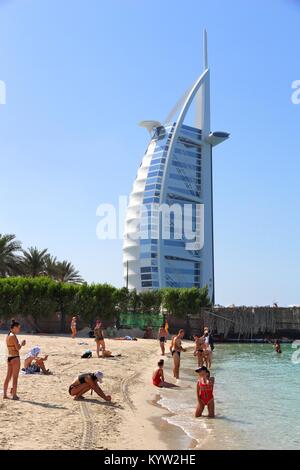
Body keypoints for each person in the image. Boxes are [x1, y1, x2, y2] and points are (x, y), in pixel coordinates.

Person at [3, 319, 26, 400]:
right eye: (18, 328)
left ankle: (5, 394)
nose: (19, 329)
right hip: (15, 358)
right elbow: (18, 348)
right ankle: (14, 395)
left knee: (8, 377)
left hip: (9, 357)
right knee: (15, 377)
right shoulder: (13, 336)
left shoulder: (8, 335)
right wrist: (22, 344)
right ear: (14, 328)